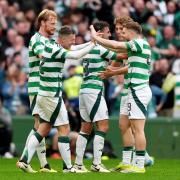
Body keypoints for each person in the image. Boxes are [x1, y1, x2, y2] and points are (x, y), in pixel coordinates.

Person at [17, 25, 95, 173]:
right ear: (62, 39)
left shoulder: (52, 46)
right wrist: (93, 44)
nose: (73, 43)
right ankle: (68, 167)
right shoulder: (56, 49)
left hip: (45, 94)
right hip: (51, 96)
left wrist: (92, 42)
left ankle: (24, 160)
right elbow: (76, 55)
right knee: (64, 128)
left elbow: (75, 49)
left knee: (43, 129)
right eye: (71, 41)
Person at [90, 21, 152, 173]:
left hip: (138, 90)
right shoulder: (137, 45)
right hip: (132, 90)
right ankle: (126, 162)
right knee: (124, 125)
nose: (122, 34)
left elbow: (117, 46)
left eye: (124, 31)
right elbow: (117, 51)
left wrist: (95, 37)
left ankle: (138, 165)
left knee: (138, 129)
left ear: (132, 32)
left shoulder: (139, 43)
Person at [73, 21, 124, 173]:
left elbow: (113, 61)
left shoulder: (88, 48)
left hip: (84, 90)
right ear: (100, 33)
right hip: (93, 91)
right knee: (103, 126)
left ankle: (78, 164)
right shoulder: (100, 48)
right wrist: (138, 49)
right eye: (108, 32)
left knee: (85, 128)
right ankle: (96, 163)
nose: (110, 35)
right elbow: (120, 55)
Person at [16, 9, 58, 173]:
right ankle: (25, 159)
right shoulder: (37, 39)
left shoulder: (48, 40)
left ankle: (43, 164)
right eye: (52, 23)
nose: (55, 26)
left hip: (42, 86)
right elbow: (42, 55)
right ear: (42, 23)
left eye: (55, 23)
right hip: (38, 85)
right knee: (42, 126)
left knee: (40, 126)